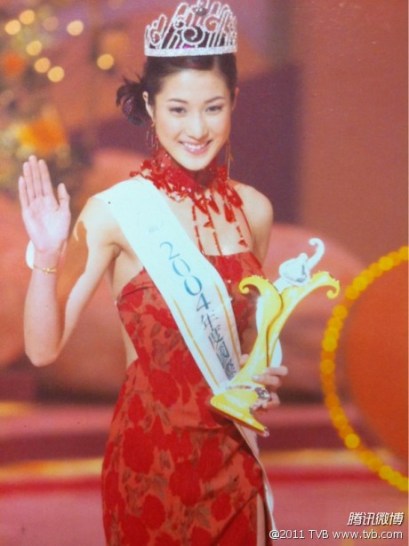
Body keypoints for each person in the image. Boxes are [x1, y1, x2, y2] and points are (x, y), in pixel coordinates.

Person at [18, 1, 288, 544]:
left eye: (213, 107)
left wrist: (258, 375)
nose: (197, 128)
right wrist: (46, 255)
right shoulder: (117, 212)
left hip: (233, 460)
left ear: (234, 100)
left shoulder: (254, 210)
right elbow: (43, 350)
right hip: (149, 468)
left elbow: (242, 341)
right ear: (150, 105)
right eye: (178, 109)